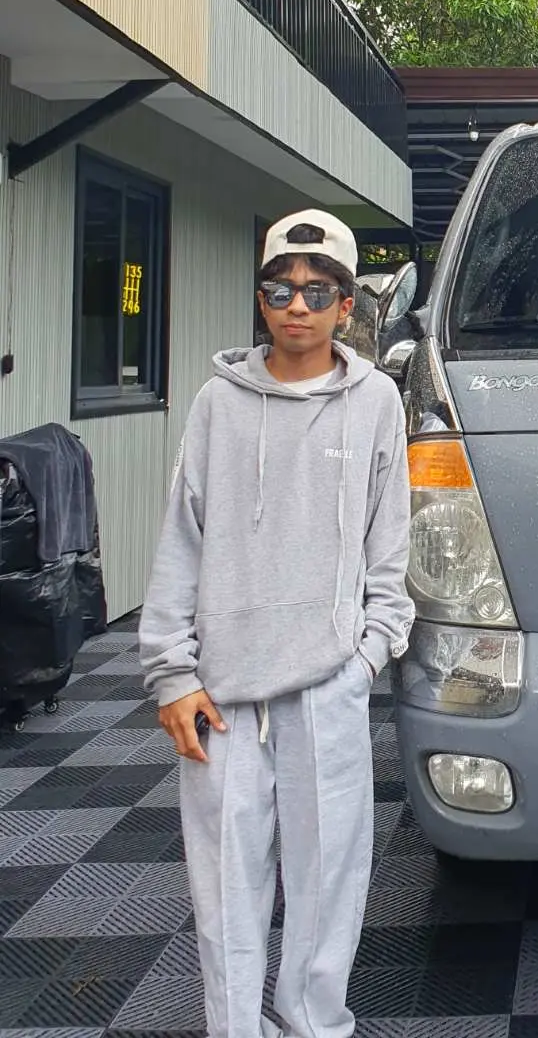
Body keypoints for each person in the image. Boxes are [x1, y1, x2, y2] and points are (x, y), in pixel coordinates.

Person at [139, 210, 413, 1038]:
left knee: (329, 883)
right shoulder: (217, 403)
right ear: (260, 299)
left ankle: (314, 1026)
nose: (297, 305)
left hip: (327, 685)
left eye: (317, 291)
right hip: (221, 695)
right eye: (280, 289)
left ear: (345, 305)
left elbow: (389, 550)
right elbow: (181, 538)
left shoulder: (377, 402)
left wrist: (366, 659)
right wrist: (171, 674)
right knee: (225, 890)